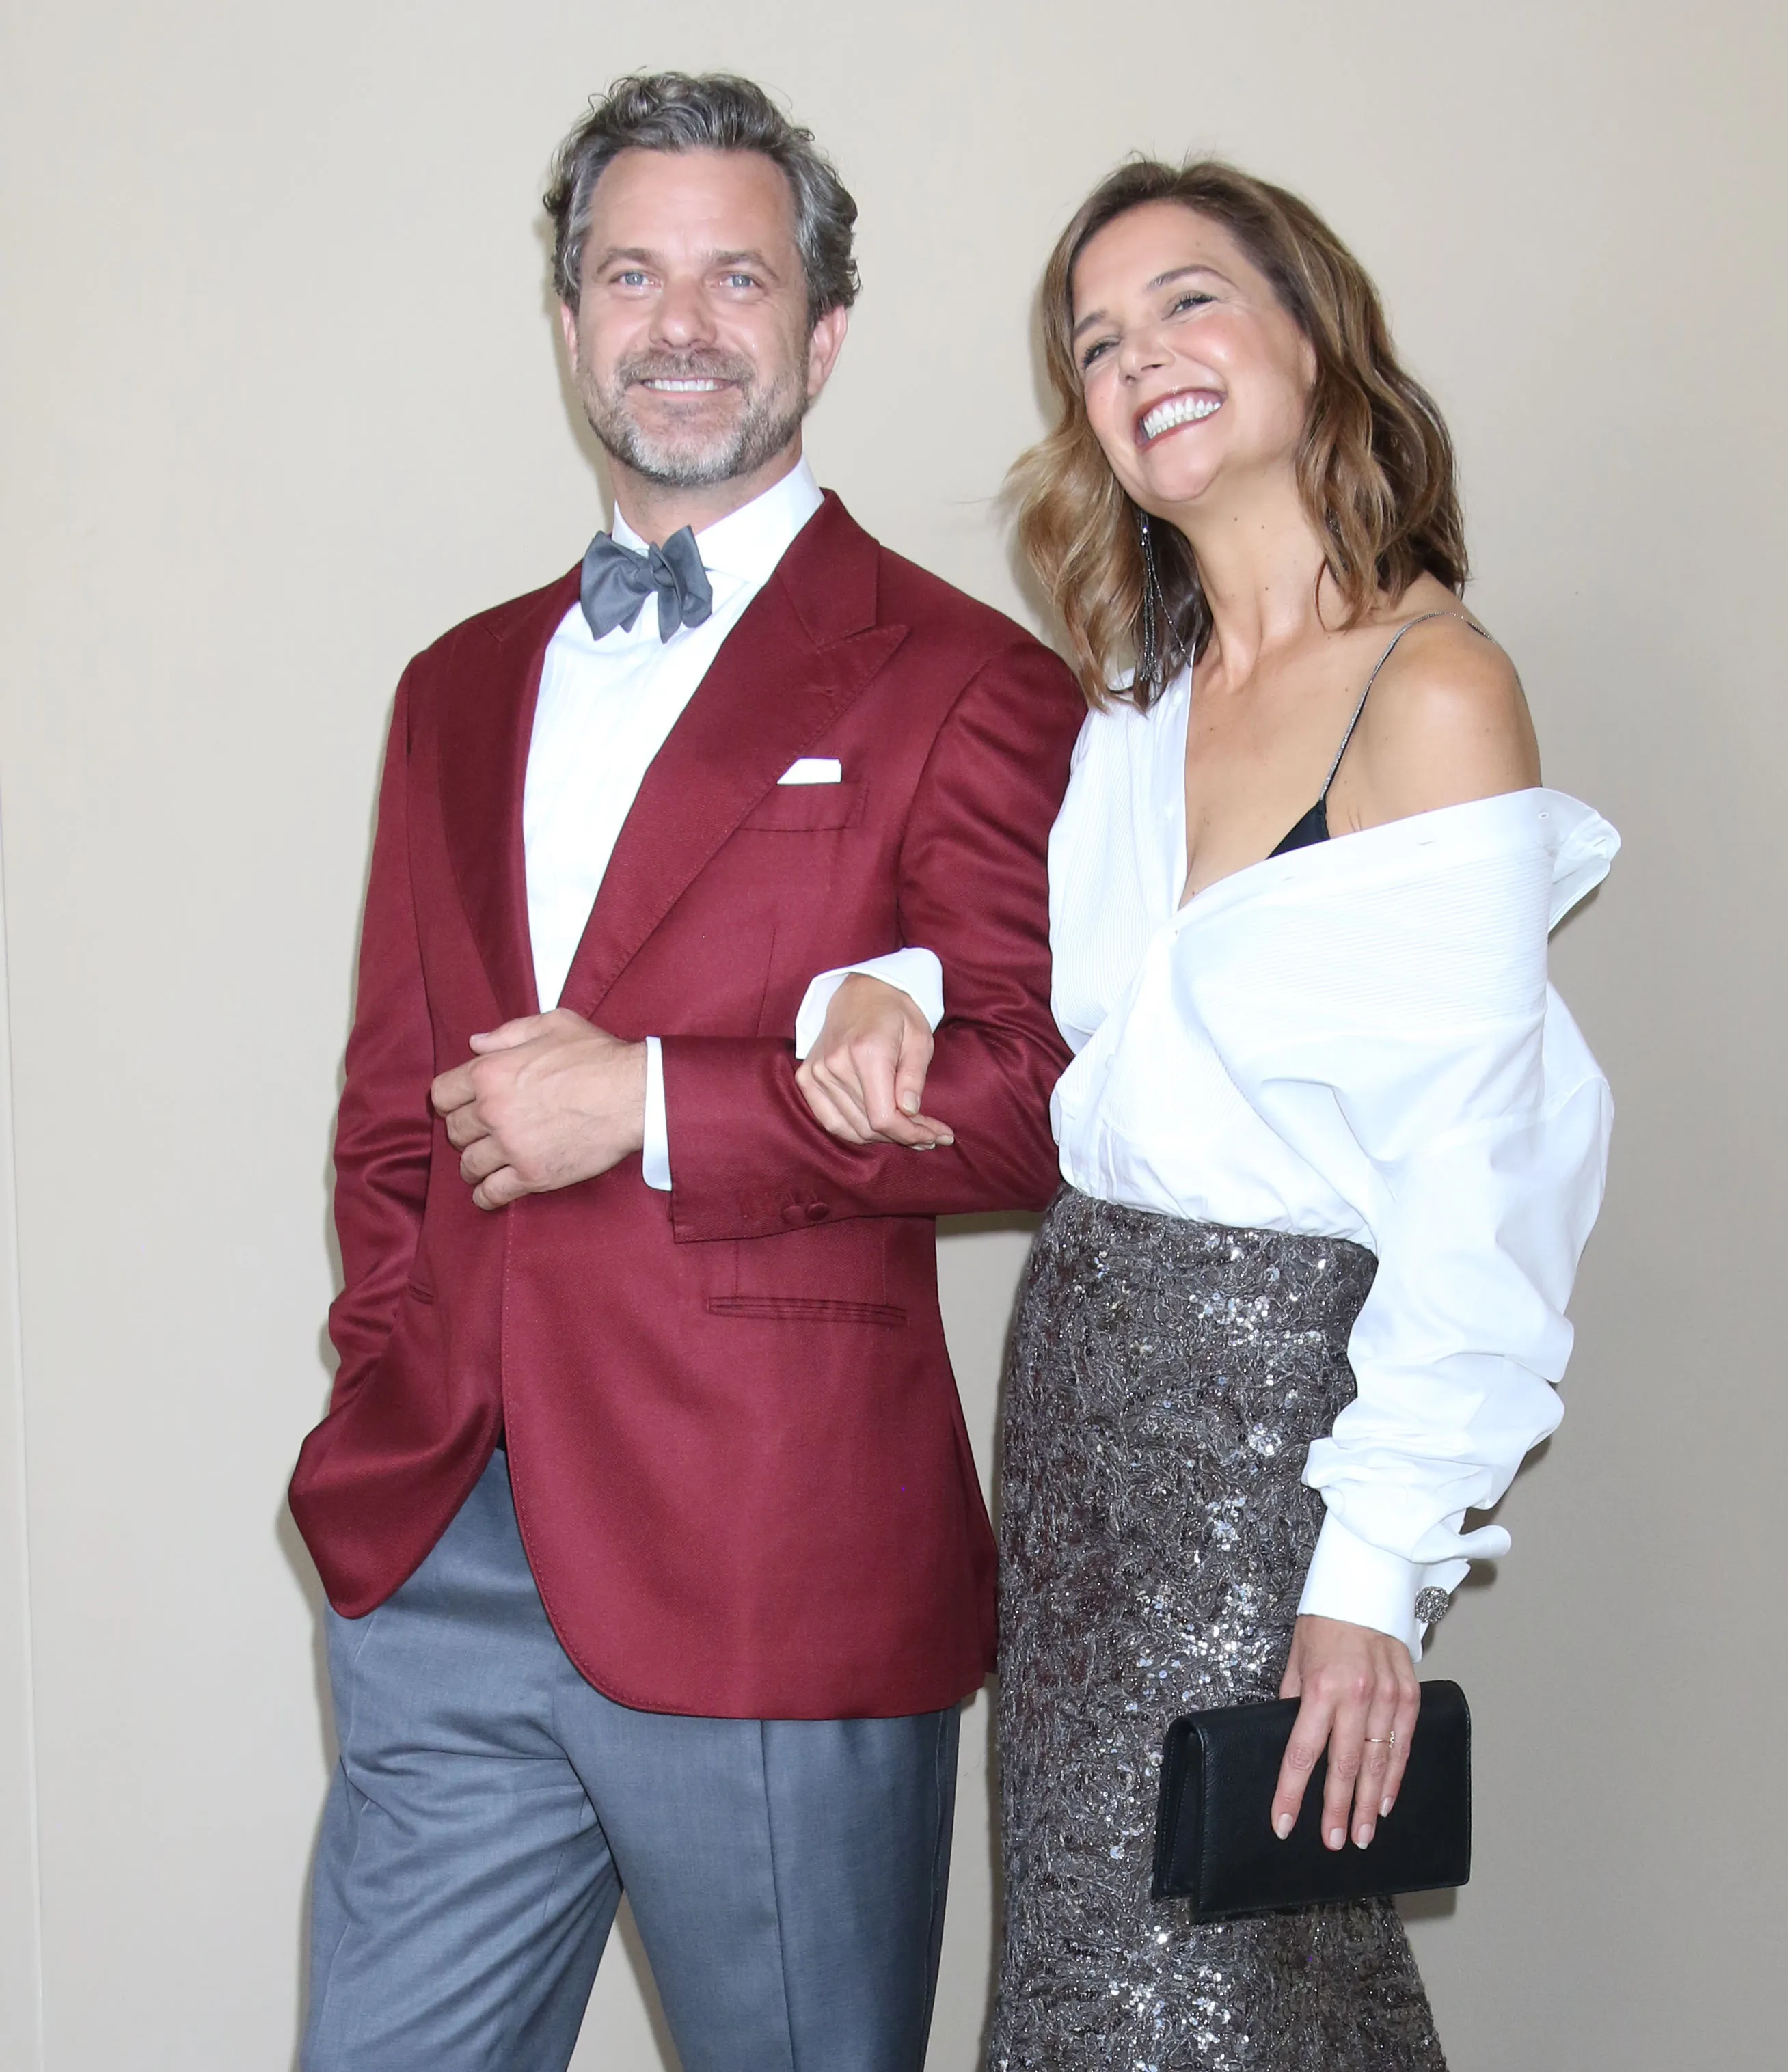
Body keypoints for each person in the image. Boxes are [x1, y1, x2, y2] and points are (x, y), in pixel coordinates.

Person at [287, 71, 1083, 2072]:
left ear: (824, 330)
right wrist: (387, 1386)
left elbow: (1026, 1093)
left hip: (770, 1569)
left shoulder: (966, 681)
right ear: (570, 321)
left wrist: (647, 1100)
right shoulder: (455, 686)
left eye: (740, 278)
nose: (681, 324)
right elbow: (394, 1111)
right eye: (632, 275)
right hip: (445, 1554)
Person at [796, 159, 1618, 2067]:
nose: (1136, 358)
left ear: (1310, 333)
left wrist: (1371, 1576)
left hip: (1279, 1439)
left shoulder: (1430, 691)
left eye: (1185, 301)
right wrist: (890, 987)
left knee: (1217, 1982)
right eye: (1093, 342)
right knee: (1108, 1973)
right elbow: (1053, 983)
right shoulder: (1135, 699)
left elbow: (1486, 1191)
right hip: (1084, 1402)